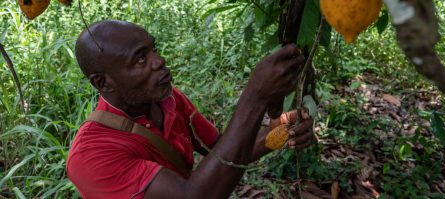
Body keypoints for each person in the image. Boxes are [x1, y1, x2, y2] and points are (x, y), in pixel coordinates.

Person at [67, 20, 314, 199]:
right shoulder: (90, 155)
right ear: (103, 82)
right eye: (140, 58)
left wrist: (282, 130)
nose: (159, 61)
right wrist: (255, 98)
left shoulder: (168, 100)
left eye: (153, 49)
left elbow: (222, 152)